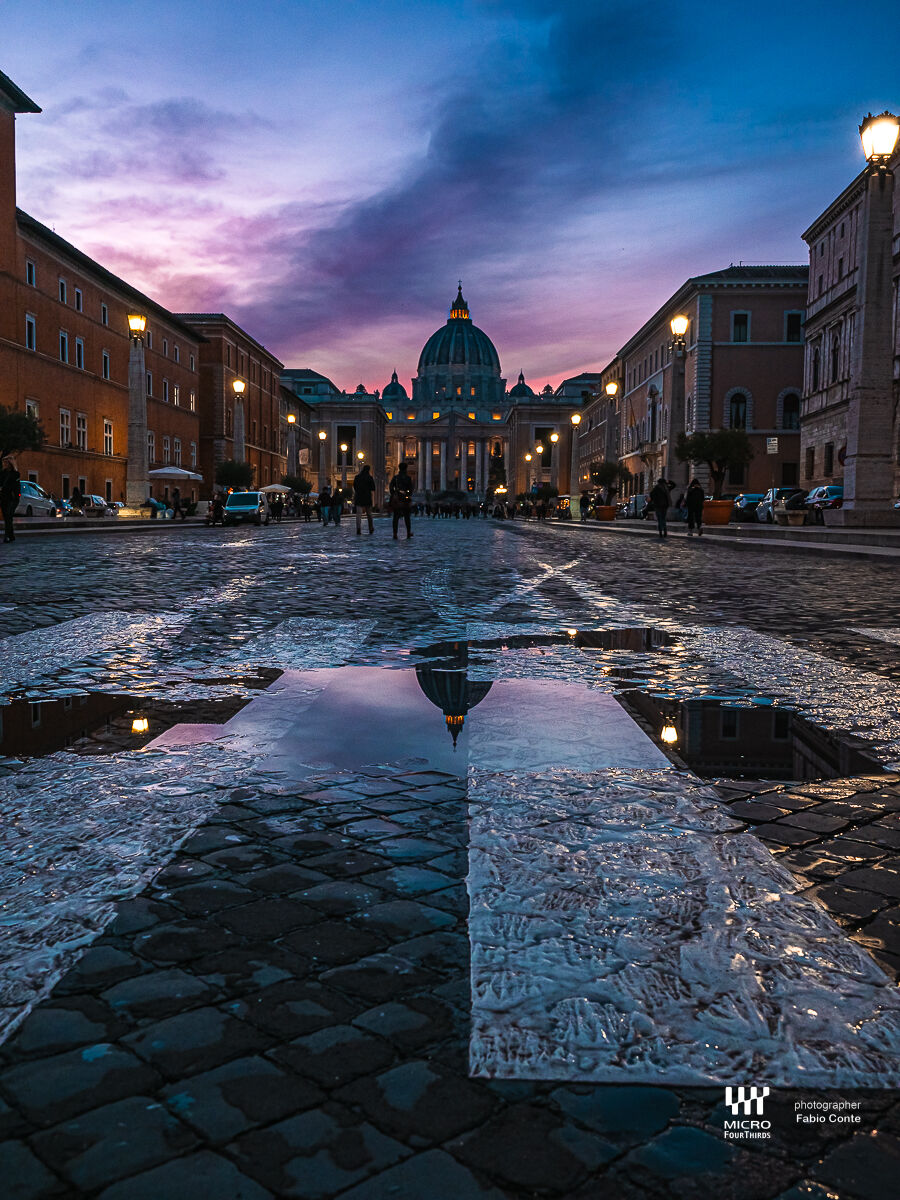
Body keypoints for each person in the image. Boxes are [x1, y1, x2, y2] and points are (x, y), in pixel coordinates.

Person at [389, 461, 413, 539]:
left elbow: (391, 487)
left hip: (397, 499)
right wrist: (408, 495)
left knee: (396, 517)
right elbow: (411, 488)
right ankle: (408, 533)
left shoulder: (395, 477)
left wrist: (393, 494)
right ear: (406, 469)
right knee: (407, 517)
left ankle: (395, 533)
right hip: (405, 498)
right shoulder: (408, 478)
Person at [0, 455, 20, 544]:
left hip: (12, 498)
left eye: (6, 462)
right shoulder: (2, 473)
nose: (4, 464)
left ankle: (7, 536)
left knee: (8, 515)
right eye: (4, 462)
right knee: (7, 517)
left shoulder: (15, 474)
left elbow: (15, 487)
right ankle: (11, 535)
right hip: (3, 497)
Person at [352, 463, 377, 535]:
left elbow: (355, 487)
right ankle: (371, 528)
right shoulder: (370, 478)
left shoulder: (357, 477)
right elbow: (373, 488)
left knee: (358, 514)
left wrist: (359, 491)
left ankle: (358, 528)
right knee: (369, 514)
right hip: (367, 497)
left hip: (359, 497)